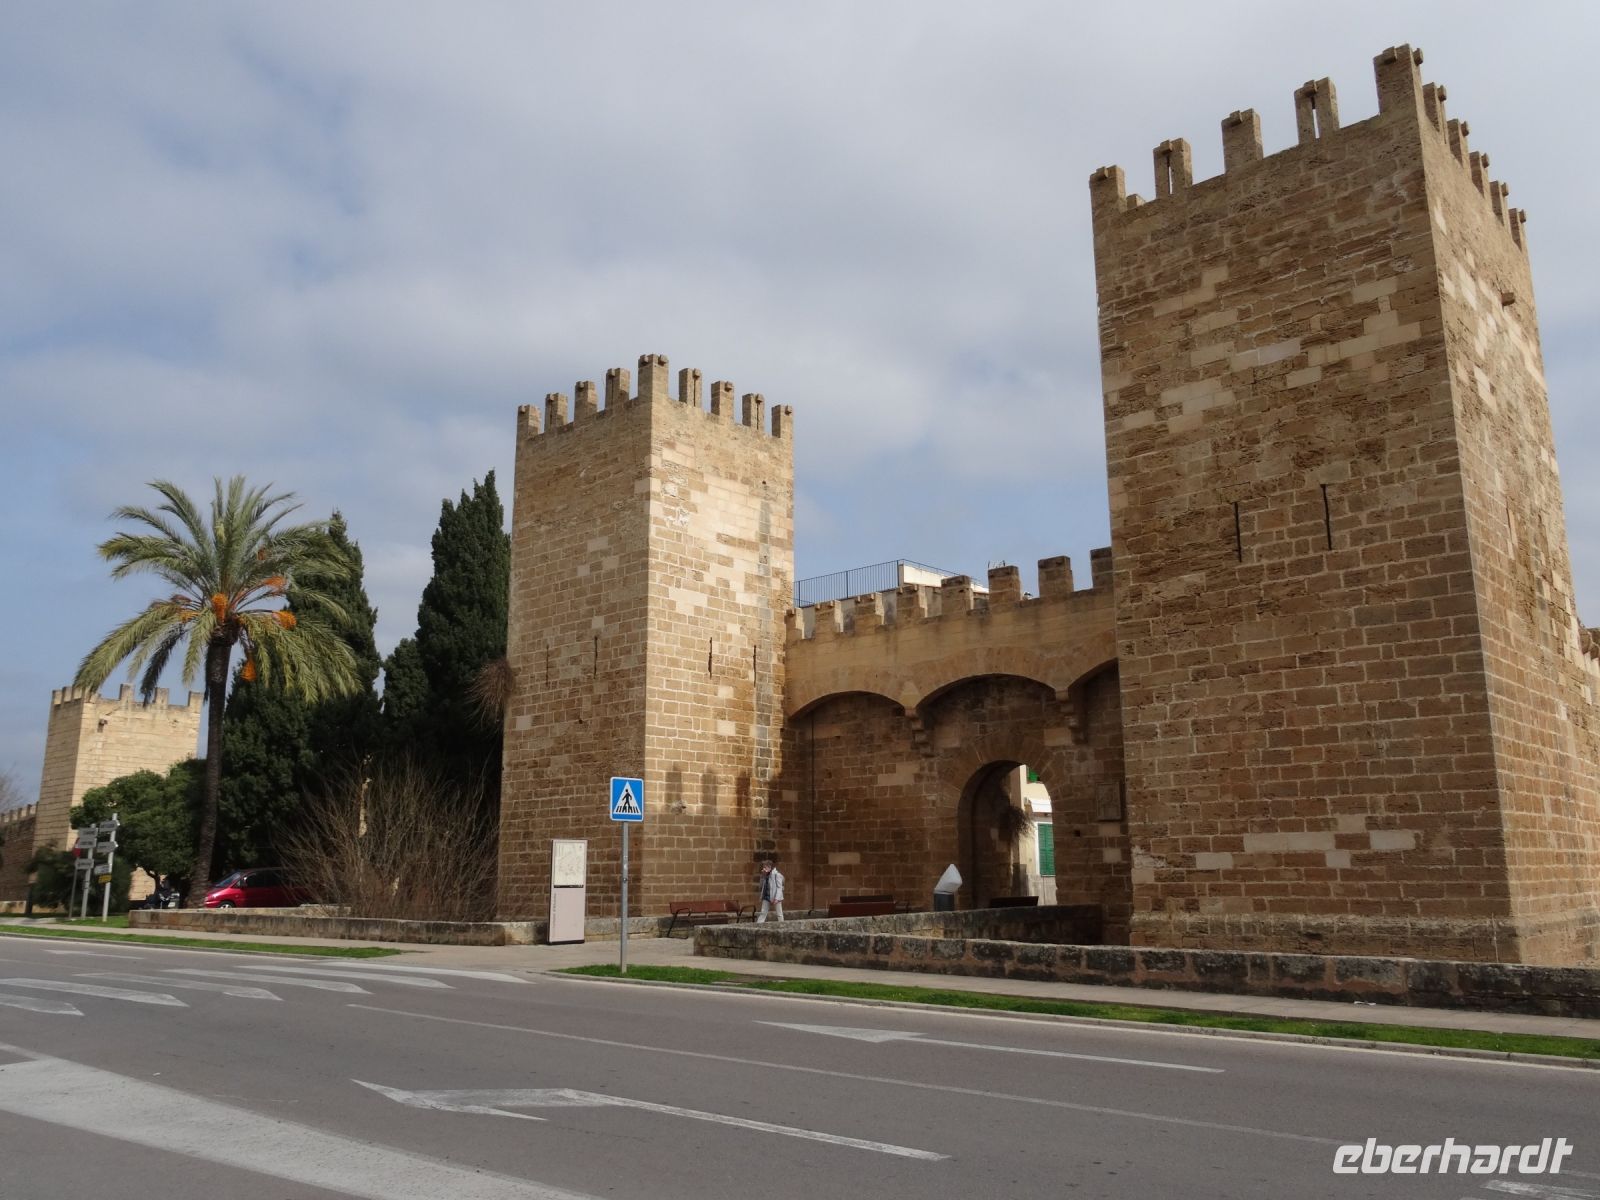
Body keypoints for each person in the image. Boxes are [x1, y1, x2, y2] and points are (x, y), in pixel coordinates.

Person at [755, 859, 785, 923]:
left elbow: (779, 888)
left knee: (779, 914)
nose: (764, 868)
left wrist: (777, 898)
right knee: (763, 913)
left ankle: (782, 925)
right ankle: (758, 925)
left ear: (770, 867)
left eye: (765, 867)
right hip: (766, 896)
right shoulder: (765, 875)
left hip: (775, 896)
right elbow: (761, 886)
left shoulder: (777, 875)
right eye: (764, 867)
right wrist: (763, 876)